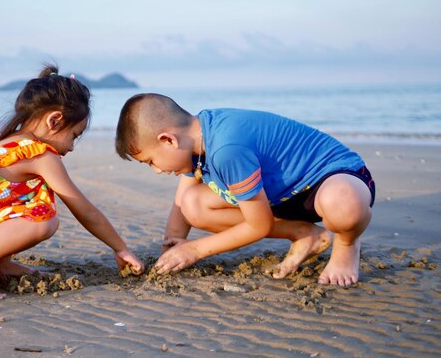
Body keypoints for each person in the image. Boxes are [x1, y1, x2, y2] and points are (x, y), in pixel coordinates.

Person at [0, 66, 144, 303]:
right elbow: (83, 208)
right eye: (74, 135)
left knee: (25, 200)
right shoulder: (38, 155)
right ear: (55, 120)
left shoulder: (4, 142)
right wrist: (120, 247)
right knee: (43, 220)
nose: (71, 147)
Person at [115, 93, 375, 286]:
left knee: (342, 204)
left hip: (329, 178)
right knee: (193, 203)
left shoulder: (227, 149)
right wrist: (170, 252)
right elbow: (181, 202)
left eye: (150, 161)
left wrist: (194, 249)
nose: (157, 170)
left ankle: (347, 244)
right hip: (279, 196)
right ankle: (305, 234)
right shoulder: (195, 137)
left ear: (168, 140)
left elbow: (258, 226)